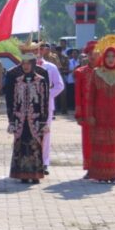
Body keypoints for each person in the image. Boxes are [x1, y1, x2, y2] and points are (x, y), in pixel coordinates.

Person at [86, 36, 115, 183]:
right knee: (100, 144)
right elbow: (91, 97)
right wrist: (90, 115)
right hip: (99, 116)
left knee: (114, 146)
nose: (111, 59)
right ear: (104, 57)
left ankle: (114, 174)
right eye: (108, 56)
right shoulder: (96, 73)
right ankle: (100, 174)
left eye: (113, 56)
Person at [6, 48, 50, 184]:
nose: (25, 66)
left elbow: (44, 101)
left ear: (33, 64)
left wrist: (43, 121)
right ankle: (22, 174)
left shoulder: (41, 80)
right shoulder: (18, 81)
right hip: (20, 119)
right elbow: (13, 102)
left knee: (35, 145)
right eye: (23, 63)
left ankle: (35, 174)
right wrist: (12, 120)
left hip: (36, 120)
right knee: (21, 145)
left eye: (28, 63)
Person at [35, 42, 65, 175]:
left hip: (46, 105)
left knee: (45, 133)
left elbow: (59, 85)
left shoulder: (50, 67)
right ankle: (31, 160)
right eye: (34, 49)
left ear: (43, 51)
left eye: (40, 49)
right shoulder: (25, 66)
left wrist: (47, 95)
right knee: (30, 133)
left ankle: (44, 162)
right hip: (29, 105)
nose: (37, 52)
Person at [74, 41, 99, 177]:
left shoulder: (105, 72)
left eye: (95, 53)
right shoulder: (81, 72)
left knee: (102, 140)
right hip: (87, 112)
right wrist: (79, 114)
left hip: (102, 112)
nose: (92, 56)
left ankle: (102, 168)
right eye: (89, 54)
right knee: (88, 141)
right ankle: (90, 169)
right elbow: (78, 95)